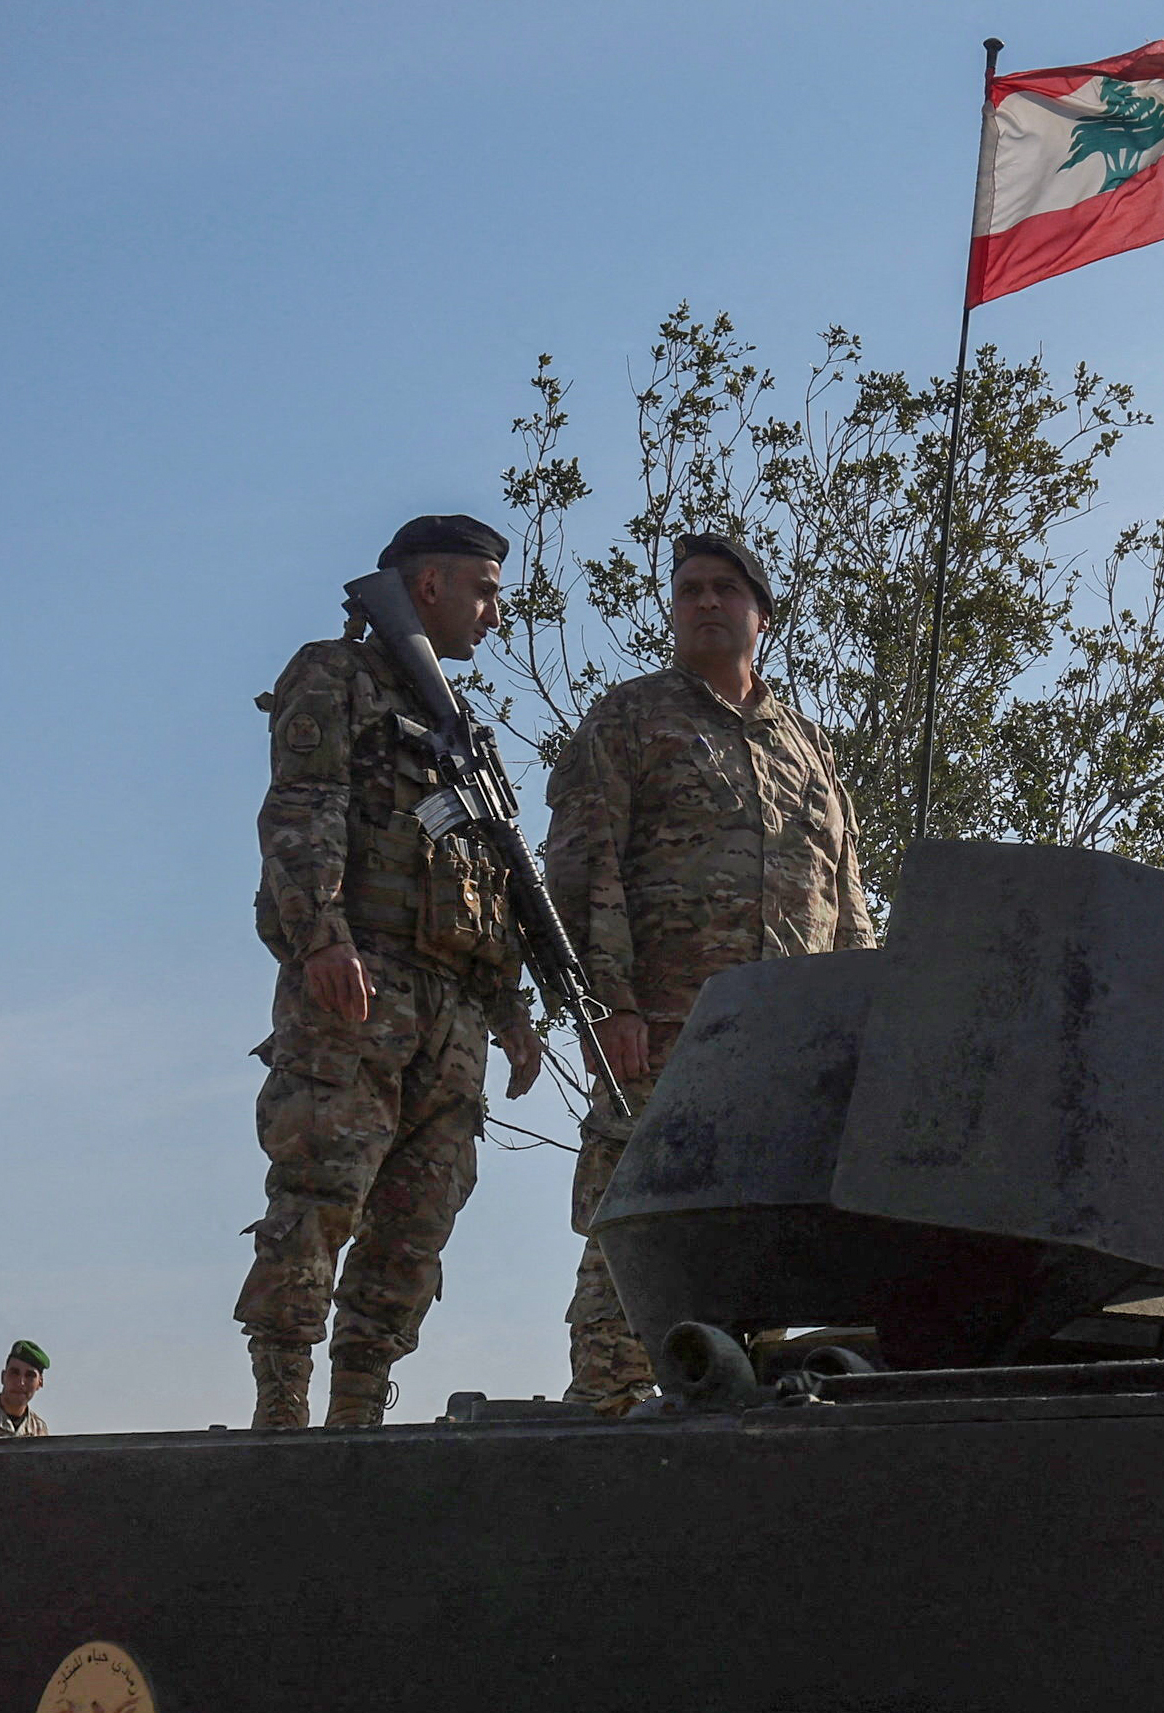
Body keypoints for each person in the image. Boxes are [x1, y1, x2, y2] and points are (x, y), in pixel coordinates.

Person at [543, 533, 877, 1414]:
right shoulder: (631, 718)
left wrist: (858, 1031)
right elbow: (583, 868)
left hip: (787, 1047)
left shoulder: (805, 746)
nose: (703, 602)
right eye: (688, 588)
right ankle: (606, 1409)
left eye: (724, 589)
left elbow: (845, 897)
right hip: (665, 1029)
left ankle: (739, 1408)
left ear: (760, 616)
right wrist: (608, 1002)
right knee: (637, 1221)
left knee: (761, 1228)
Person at [236, 513, 546, 1430]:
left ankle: (360, 1410)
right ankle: (284, 1407)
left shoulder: (456, 727)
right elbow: (303, 807)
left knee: (418, 1224)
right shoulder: (335, 677)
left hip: (452, 1012)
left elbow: (484, 878)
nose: (494, 613)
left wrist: (511, 1007)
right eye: (484, 590)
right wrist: (324, 934)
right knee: (320, 1195)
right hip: (360, 985)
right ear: (428, 586)